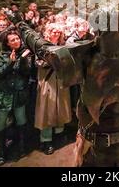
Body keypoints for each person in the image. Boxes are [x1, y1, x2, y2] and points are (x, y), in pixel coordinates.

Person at [7, 6, 119, 167]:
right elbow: (44, 48)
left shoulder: (85, 54)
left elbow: (43, 48)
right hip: (117, 142)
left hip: (108, 142)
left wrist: (21, 24)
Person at [0, 30, 32, 165]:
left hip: (20, 92)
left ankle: (21, 146)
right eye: (12, 40)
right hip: (4, 93)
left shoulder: (26, 53)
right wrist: (10, 63)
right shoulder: (1, 56)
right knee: (1, 121)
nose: (16, 41)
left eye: (17, 38)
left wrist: (24, 59)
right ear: (7, 43)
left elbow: (27, 73)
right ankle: (1, 151)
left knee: (21, 119)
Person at [35, 24, 72, 155]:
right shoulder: (42, 46)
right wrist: (54, 60)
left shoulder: (63, 46)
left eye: (58, 32)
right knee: (46, 111)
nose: (56, 34)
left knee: (61, 108)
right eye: (54, 32)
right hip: (47, 82)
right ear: (48, 32)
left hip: (61, 82)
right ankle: (46, 140)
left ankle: (59, 135)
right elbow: (39, 63)